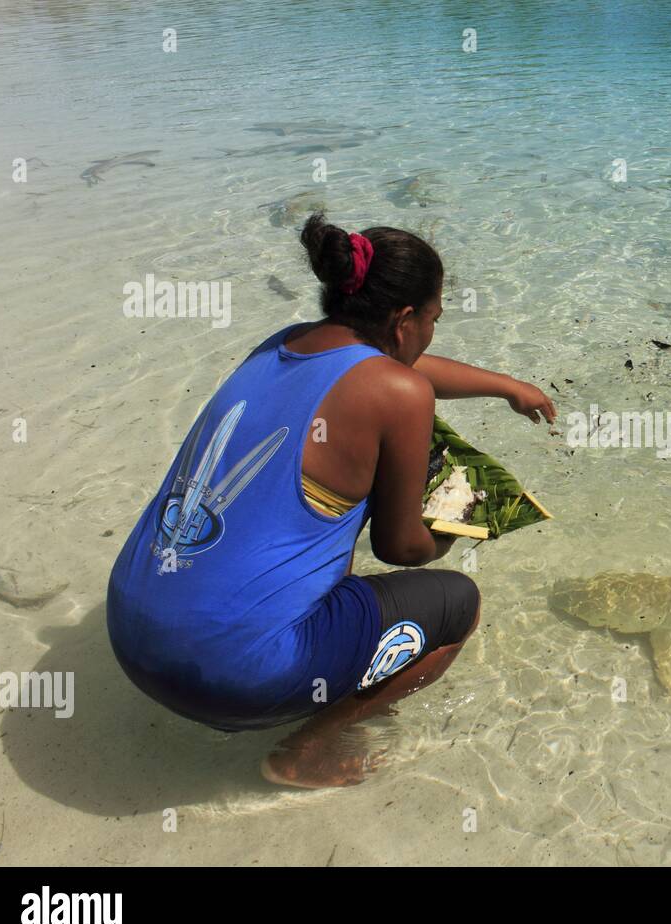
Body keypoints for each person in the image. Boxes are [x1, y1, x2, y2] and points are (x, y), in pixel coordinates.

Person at [106, 213, 555, 788]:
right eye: (435, 318)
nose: (432, 333)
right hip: (231, 683)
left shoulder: (281, 345)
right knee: (457, 605)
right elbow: (402, 551)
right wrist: (458, 525)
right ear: (404, 319)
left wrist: (505, 385)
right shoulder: (401, 393)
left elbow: (388, 372)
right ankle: (308, 748)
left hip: (131, 639)